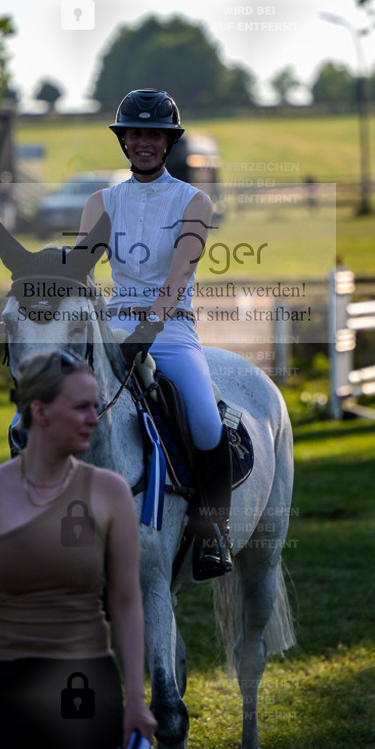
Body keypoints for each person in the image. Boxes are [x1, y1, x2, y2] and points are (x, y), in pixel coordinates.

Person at [0, 350, 156, 749]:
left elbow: (126, 602)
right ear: (40, 411)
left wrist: (136, 701)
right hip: (0, 684)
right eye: (82, 407)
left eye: (95, 405)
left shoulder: (110, 492)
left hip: (82, 682)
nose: (95, 418)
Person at [76, 88, 233, 580]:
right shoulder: (101, 202)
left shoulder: (194, 201)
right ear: (124, 141)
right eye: (136, 133)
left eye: (155, 135)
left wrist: (148, 329)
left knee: (207, 424)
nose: (144, 142)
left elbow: (179, 276)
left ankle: (213, 534)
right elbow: (81, 270)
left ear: (169, 143)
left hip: (171, 331)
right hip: (112, 327)